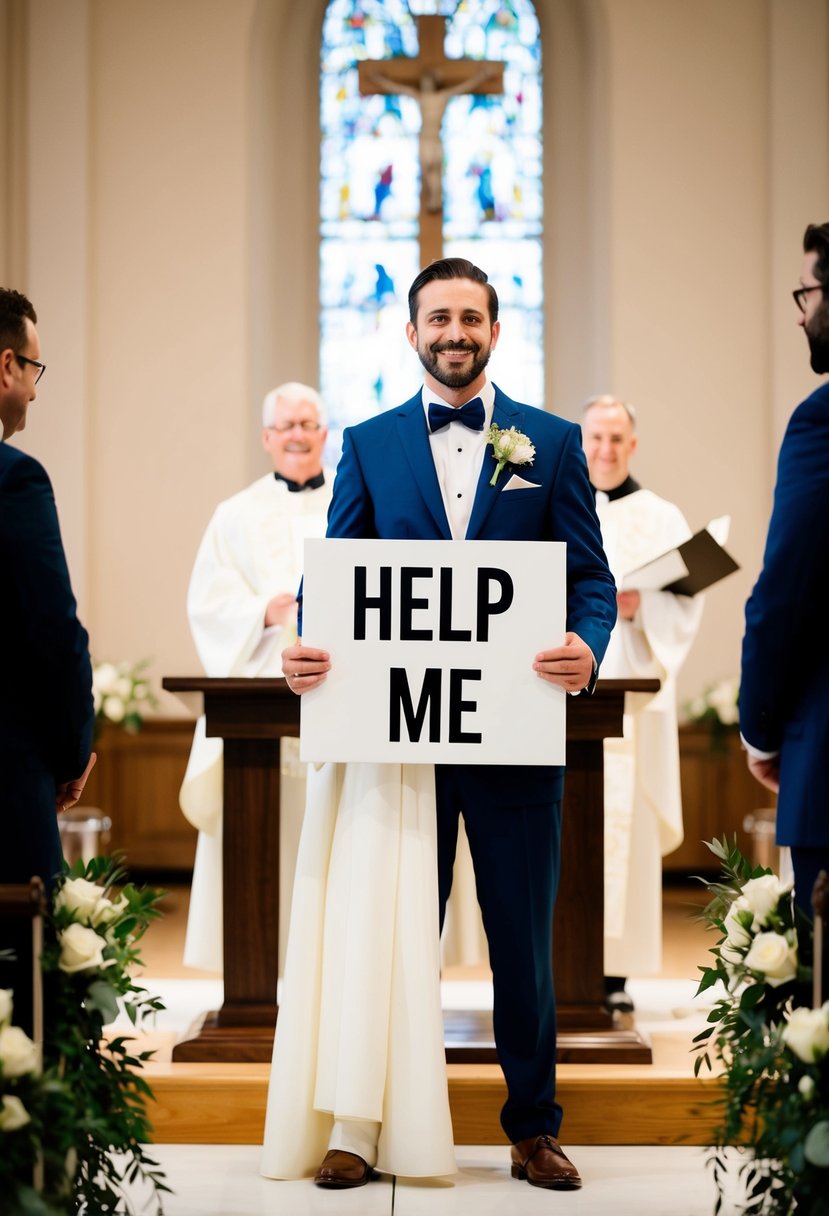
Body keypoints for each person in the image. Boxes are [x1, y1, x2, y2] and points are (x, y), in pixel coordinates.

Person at [263, 258, 616, 1190]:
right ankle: (362, 1124)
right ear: (410, 333)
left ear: (495, 332)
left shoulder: (550, 442)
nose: (454, 332)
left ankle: (532, 1128)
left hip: (514, 738)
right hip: (401, 749)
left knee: (521, 949)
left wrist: (587, 643)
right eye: (437, 318)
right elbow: (334, 579)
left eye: (470, 318)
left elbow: (588, 574)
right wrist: (306, 643)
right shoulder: (369, 444)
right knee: (387, 939)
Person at [178, 383, 332, 972]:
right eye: (286, 425)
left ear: (324, 434)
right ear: (267, 437)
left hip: (335, 701)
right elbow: (206, 605)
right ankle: (254, 972)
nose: (297, 434)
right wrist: (262, 612)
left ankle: (327, 969)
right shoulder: (234, 515)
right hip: (259, 698)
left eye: (308, 423)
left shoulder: (353, 499)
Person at [581, 395, 703, 1013]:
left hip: (630, 693)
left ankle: (615, 976)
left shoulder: (662, 517)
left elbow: (685, 602)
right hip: (566, 693)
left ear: (633, 445)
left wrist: (641, 607)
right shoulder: (555, 500)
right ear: (581, 441)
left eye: (616, 439)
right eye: (596, 437)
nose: (605, 449)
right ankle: (557, 963)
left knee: (622, 834)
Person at [0, 287, 96, 1031]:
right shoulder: (14, 477)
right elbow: (52, 630)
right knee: (26, 975)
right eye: (35, 366)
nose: (34, 385)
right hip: (4, 769)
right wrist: (73, 748)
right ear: (7, 366)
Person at [740, 222, 829, 916]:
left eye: (803, 291)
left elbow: (784, 594)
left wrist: (760, 728)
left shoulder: (820, 420)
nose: (799, 312)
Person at [367, 66, 499, 213]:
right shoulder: (419, 96)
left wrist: (482, 76)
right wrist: (378, 79)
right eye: (424, 82)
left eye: (428, 81)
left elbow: (463, 88)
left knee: (436, 173)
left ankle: (436, 200)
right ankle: (433, 200)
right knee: (428, 172)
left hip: (435, 138)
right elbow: (397, 89)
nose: (426, 85)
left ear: (434, 83)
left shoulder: (442, 96)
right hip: (425, 138)